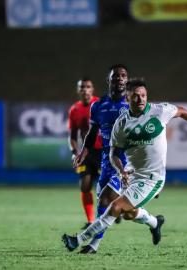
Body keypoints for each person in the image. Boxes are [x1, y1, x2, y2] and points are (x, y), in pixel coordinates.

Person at [62, 78, 187, 253]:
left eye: (143, 95)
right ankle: (155, 222)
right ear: (127, 99)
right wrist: (121, 170)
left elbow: (182, 111)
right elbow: (113, 154)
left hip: (152, 178)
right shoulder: (121, 124)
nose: (141, 99)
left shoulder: (159, 111)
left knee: (116, 206)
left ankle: (79, 239)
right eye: (135, 96)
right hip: (129, 173)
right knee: (125, 211)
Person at [67, 64, 133, 254]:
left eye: (123, 76)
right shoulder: (98, 106)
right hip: (106, 158)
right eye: (115, 76)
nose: (119, 79)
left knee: (105, 201)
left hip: (125, 161)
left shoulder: (133, 105)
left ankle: (91, 243)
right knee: (125, 211)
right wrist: (82, 152)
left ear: (126, 80)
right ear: (109, 80)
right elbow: (92, 132)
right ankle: (154, 222)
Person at [68, 77, 102, 229]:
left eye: (88, 87)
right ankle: (90, 221)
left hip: (103, 151)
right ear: (78, 90)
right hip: (86, 152)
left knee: (107, 186)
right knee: (85, 185)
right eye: (82, 87)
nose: (85, 90)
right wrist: (75, 152)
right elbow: (72, 136)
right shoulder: (74, 110)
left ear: (92, 89)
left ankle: (114, 212)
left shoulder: (101, 105)